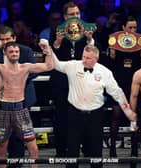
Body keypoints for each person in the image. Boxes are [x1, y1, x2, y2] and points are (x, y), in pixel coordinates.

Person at [43, 44, 136, 168]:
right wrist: (49, 50)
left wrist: (128, 111)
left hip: (95, 115)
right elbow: (57, 64)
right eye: (83, 56)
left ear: (96, 59)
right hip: (74, 114)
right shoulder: (73, 65)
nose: (84, 60)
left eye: (88, 58)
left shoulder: (104, 72)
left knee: (96, 151)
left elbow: (117, 93)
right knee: (72, 150)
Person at [0, 41, 53, 168]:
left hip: (21, 111)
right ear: (5, 53)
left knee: (33, 149)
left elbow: (49, 66)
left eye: (16, 51)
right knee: (2, 150)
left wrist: (47, 49)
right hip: (3, 111)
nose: (14, 54)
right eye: (11, 52)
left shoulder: (26, 67)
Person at [49, 1, 97, 157]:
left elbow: (96, 54)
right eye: (71, 14)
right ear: (65, 16)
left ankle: (87, 150)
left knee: (84, 117)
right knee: (62, 118)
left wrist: (90, 40)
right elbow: (50, 56)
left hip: (82, 82)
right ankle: (61, 152)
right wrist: (57, 42)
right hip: (62, 84)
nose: (75, 16)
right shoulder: (57, 31)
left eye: (77, 13)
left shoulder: (88, 30)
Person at [0, 26, 37, 168]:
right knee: (2, 144)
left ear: (14, 38)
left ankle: (17, 165)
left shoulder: (25, 51)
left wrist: (16, 79)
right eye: (2, 39)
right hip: (2, 101)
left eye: (8, 39)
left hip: (22, 99)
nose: (5, 42)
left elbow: (34, 71)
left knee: (22, 141)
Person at [108, 15, 141, 158]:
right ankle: (112, 151)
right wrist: (112, 54)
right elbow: (110, 64)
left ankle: (134, 151)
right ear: (123, 28)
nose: (132, 30)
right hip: (119, 86)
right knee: (116, 117)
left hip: (135, 86)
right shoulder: (115, 42)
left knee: (135, 118)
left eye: (135, 27)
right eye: (130, 27)